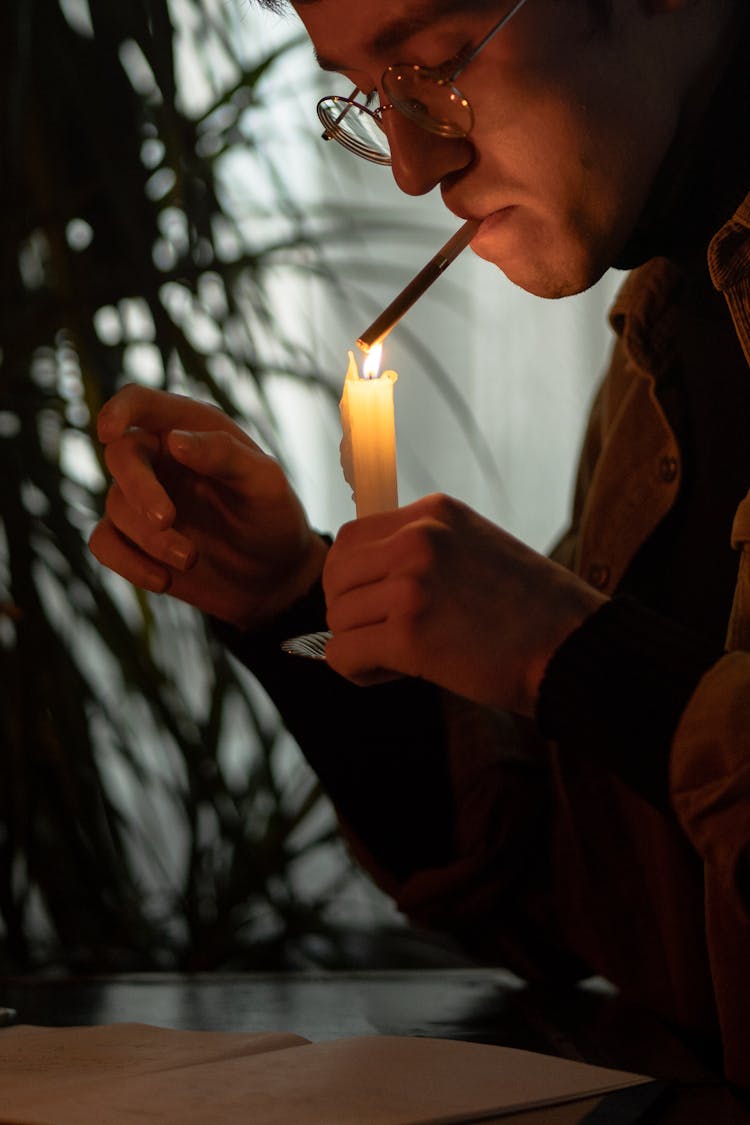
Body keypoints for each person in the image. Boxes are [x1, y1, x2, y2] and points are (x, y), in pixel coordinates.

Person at [89, 0, 750, 1090]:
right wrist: (290, 598)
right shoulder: (671, 325)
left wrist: (578, 660)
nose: (411, 165)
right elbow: (576, 902)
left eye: (435, 62)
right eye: (370, 95)